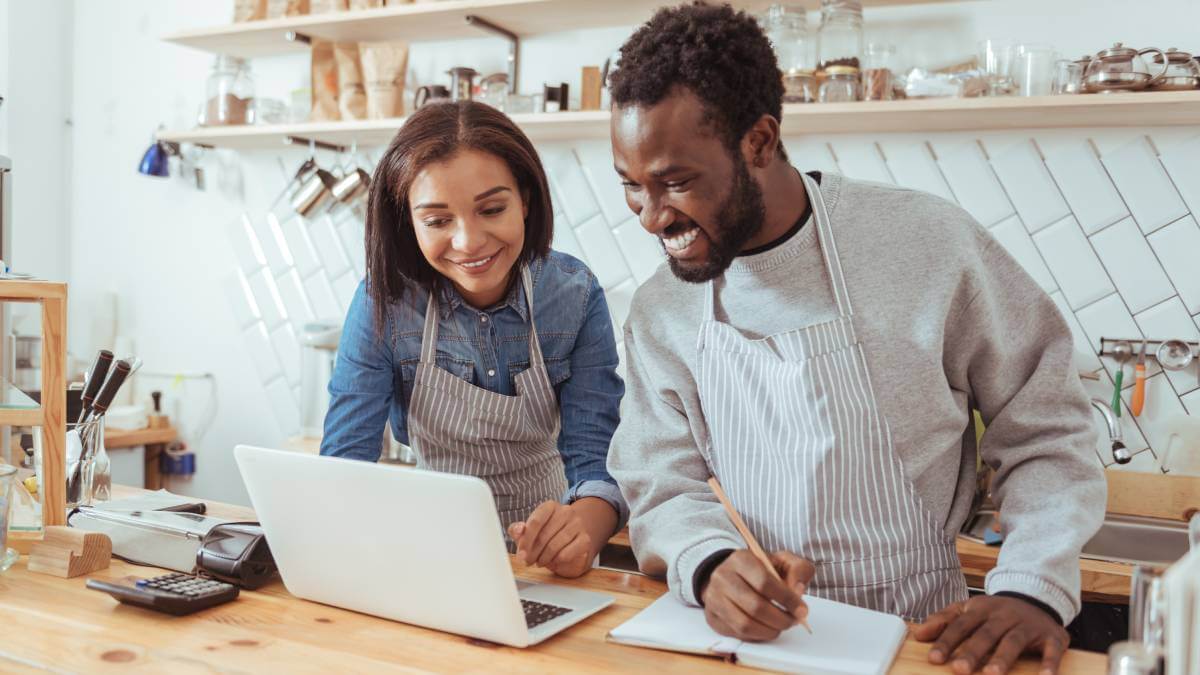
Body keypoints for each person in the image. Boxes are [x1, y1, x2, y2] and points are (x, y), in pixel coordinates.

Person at [605, 5, 1105, 673]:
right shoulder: (663, 308)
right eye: (632, 188)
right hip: (753, 648)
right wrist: (710, 563)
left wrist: (1032, 589)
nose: (651, 217)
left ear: (758, 141)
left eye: (676, 182)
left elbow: (1047, 428)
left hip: (922, 643)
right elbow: (659, 481)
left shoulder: (927, 246)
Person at [321, 101, 626, 578]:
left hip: (550, 561)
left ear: (525, 200)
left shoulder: (573, 295)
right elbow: (344, 463)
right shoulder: (385, 302)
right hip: (432, 555)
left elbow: (595, 458)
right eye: (438, 220)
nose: (468, 241)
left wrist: (580, 533)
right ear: (408, 221)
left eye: (492, 209)